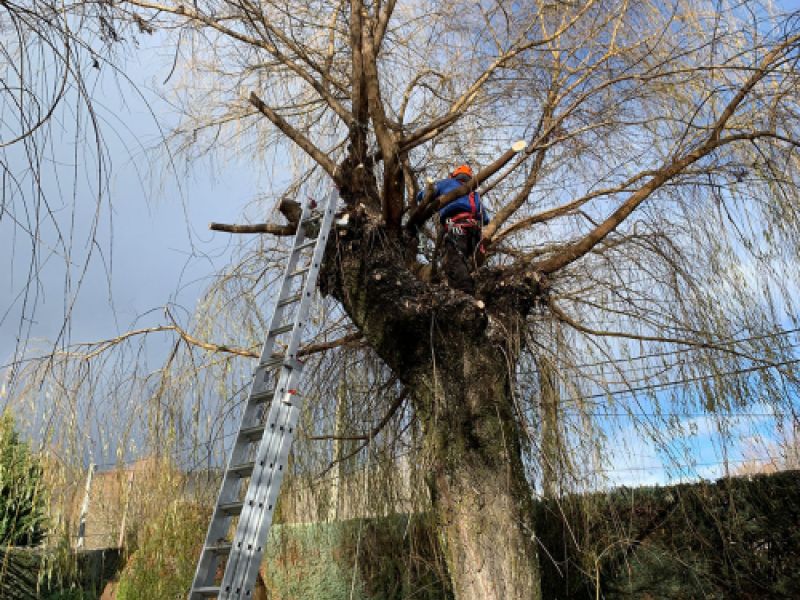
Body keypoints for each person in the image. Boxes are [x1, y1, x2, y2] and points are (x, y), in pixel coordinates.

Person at [417, 164, 489, 294]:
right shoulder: (474, 194)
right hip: (475, 232)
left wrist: (421, 197)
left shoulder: (448, 183)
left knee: (454, 260)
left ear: (454, 175)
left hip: (458, 227)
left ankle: (465, 293)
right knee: (464, 262)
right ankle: (470, 289)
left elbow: (424, 195)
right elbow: (486, 219)